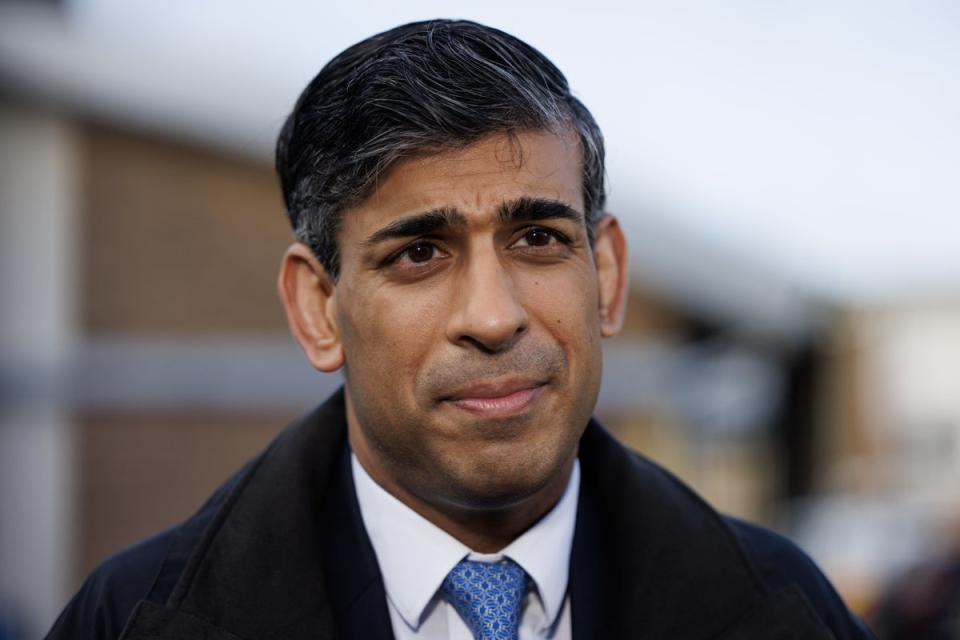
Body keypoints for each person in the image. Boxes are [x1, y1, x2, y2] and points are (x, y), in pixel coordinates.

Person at [48, 19, 874, 640]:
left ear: (609, 277)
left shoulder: (787, 611)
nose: (493, 316)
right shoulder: (127, 621)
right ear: (317, 309)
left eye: (539, 239)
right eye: (418, 253)